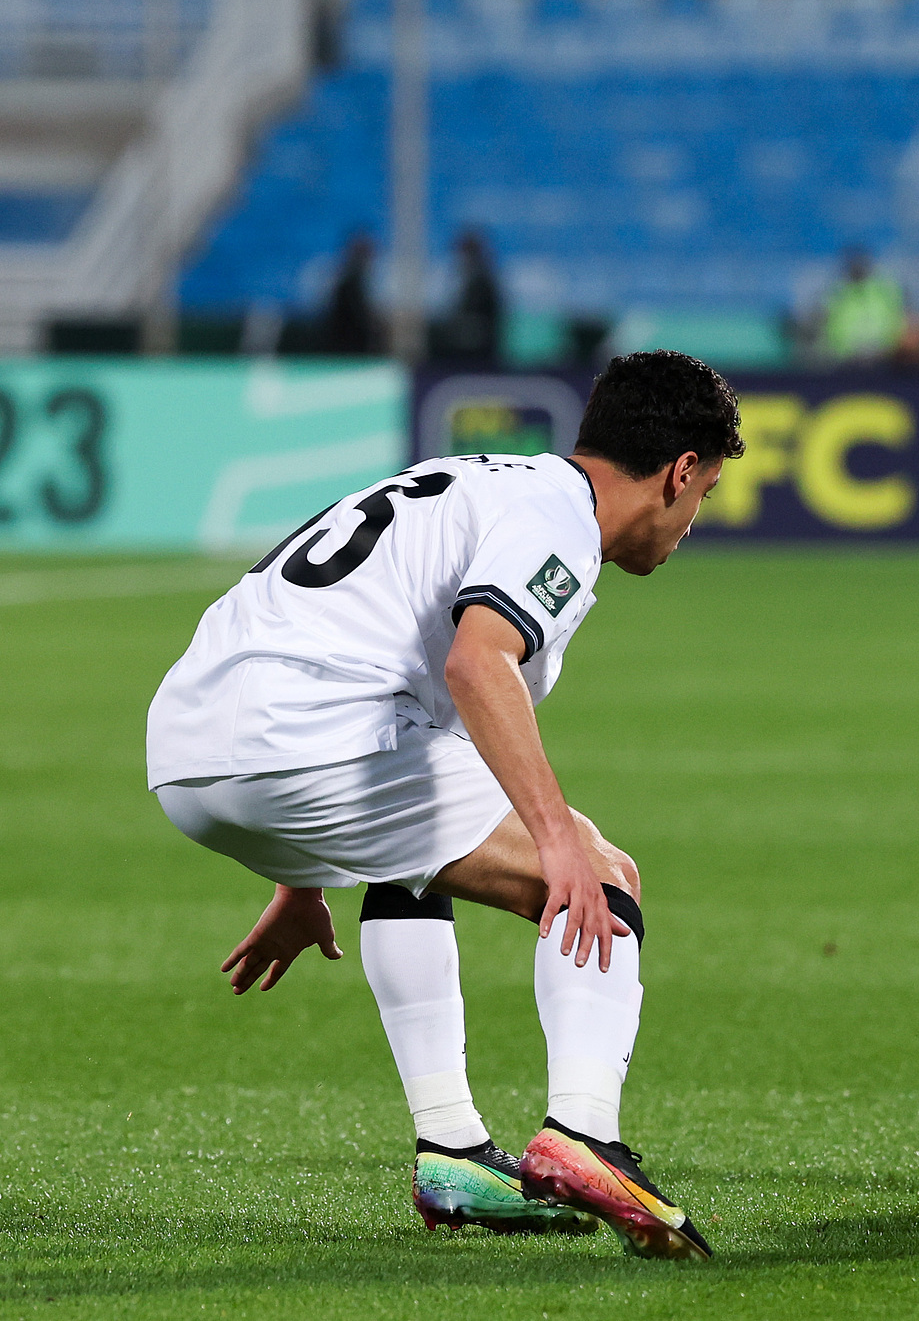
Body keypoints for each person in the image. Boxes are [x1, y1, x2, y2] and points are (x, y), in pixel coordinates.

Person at [145, 351, 746, 1261]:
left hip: (189, 749)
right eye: (705, 493)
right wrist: (558, 842)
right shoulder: (558, 520)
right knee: (601, 874)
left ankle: (453, 1150)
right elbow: (477, 662)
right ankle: (584, 1131)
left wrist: (300, 875)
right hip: (307, 733)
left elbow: (388, 675)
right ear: (681, 471)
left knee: (423, 846)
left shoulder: (480, 484)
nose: (693, 520)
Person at [822, 248, 906, 365]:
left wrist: (884, 348)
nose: (858, 268)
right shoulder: (837, 294)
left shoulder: (886, 291)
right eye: (854, 265)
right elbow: (830, 332)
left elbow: (899, 323)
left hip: (885, 360)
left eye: (861, 264)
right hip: (847, 363)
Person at [440, 228, 504, 363]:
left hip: (479, 353)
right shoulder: (460, 278)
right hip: (463, 347)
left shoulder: (483, 281)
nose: (460, 258)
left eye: (465, 253)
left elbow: (483, 322)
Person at [322, 231, 378, 354]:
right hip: (346, 350)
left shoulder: (357, 280)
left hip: (350, 347)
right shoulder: (349, 284)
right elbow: (359, 321)